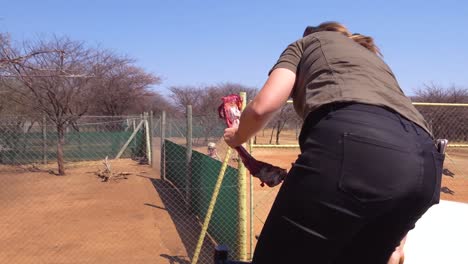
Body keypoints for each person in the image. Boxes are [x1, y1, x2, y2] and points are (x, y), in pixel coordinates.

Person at [223, 22, 444, 264]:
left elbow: (262, 107)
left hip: (355, 148)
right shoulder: (372, 59)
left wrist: (237, 136)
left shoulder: (307, 43)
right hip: (426, 164)